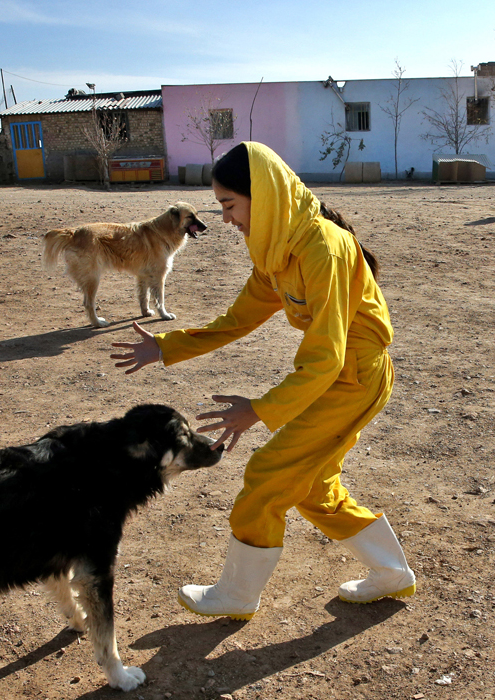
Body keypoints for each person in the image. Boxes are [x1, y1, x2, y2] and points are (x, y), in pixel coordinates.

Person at [110, 141, 414, 619]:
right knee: (311, 486)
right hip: (338, 375)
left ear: (266, 195)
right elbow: (238, 320)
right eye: (221, 207)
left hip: (353, 377)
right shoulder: (275, 248)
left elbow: (327, 359)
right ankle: (392, 572)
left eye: (230, 205)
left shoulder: (322, 249)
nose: (226, 218)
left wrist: (260, 409)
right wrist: (166, 346)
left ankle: (237, 593)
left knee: (268, 474)